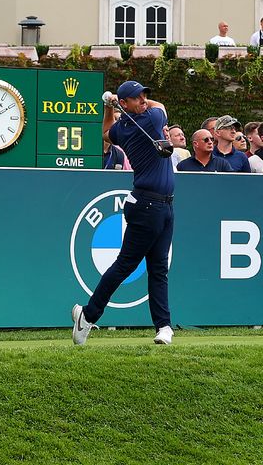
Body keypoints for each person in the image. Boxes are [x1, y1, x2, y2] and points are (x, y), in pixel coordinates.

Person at [73, 81, 175, 347]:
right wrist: (116, 103)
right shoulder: (150, 119)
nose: (143, 100)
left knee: (158, 268)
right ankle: (88, 315)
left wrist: (110, 106)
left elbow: (107, 131)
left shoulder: (126, 126)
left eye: (144, 95)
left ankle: (163, 326)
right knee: (125, 265)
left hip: (164, 206)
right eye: (136, 97)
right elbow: (159, 107)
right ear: (125, 103)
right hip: (148, 206)